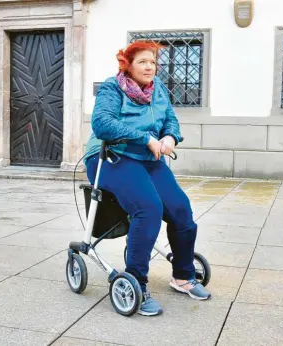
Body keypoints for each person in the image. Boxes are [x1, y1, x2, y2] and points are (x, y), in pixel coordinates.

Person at [83, 41, 211, 316]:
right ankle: (137, 282)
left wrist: (170, 136)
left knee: (180, 209)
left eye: (152, 61)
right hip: (110, 157)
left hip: (147, 158)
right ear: (127, 65)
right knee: (148, 207)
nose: (149, 66)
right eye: (142, 61)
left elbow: (171, 122)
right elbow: (101, 123)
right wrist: (145, 138)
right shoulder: (112, 87)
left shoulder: (159, 90)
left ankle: (183, 276)